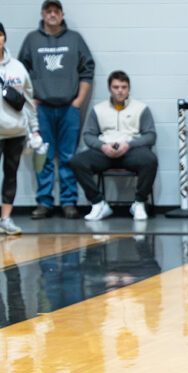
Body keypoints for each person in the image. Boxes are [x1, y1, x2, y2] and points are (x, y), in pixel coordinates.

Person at [18, 0, 94, 220]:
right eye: (48, 11)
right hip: (41, 109)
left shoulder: (75, 39)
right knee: (43, 155)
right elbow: (22, 73)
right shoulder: (32, 40)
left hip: (69, 108)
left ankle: (69, 202)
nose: (52, 15)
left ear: (62, 14)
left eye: (55, 11)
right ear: (42, 14)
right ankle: (44, 202)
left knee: (69, 156)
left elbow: (87, 71)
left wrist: (78, 101)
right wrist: (31, 101)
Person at [68, 70, 157, 222]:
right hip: (106, 151)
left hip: (131, 151)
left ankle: (139, 203)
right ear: (110, 88)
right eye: (116, 87)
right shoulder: (98, 109)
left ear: (129, 88)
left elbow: (150, 135)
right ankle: (98, 203)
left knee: (150, 160)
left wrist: (129, 145)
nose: (120, 91)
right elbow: (88, 135)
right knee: (77, 162)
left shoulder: (141, 108)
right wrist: (102, 146)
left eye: (123, 87)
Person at [0, 22, 42, 236]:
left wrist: (34, 130)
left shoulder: (17, 67)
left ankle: (5, 219)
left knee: (10, 175)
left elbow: (28, 102)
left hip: (15, 132)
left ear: (4, 38)